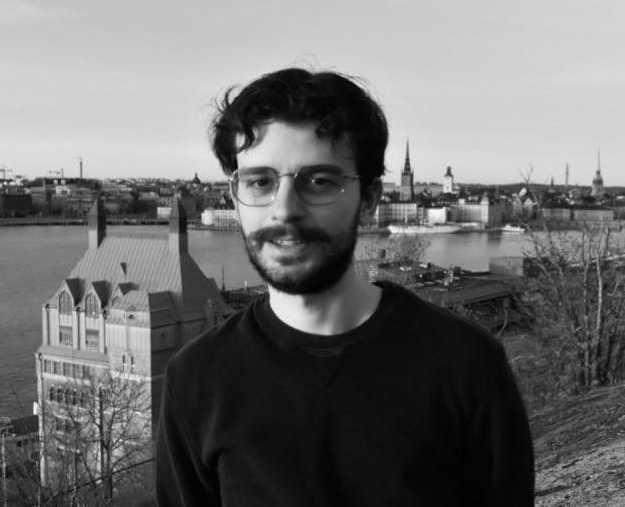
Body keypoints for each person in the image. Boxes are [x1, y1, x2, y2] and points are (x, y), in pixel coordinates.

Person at [155, 68, 534, 506]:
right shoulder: (196, 381)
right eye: (259, 182)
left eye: (319, 181)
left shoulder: (467, 366)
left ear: (369, 199)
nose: (285, 209)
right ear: (235, 196)